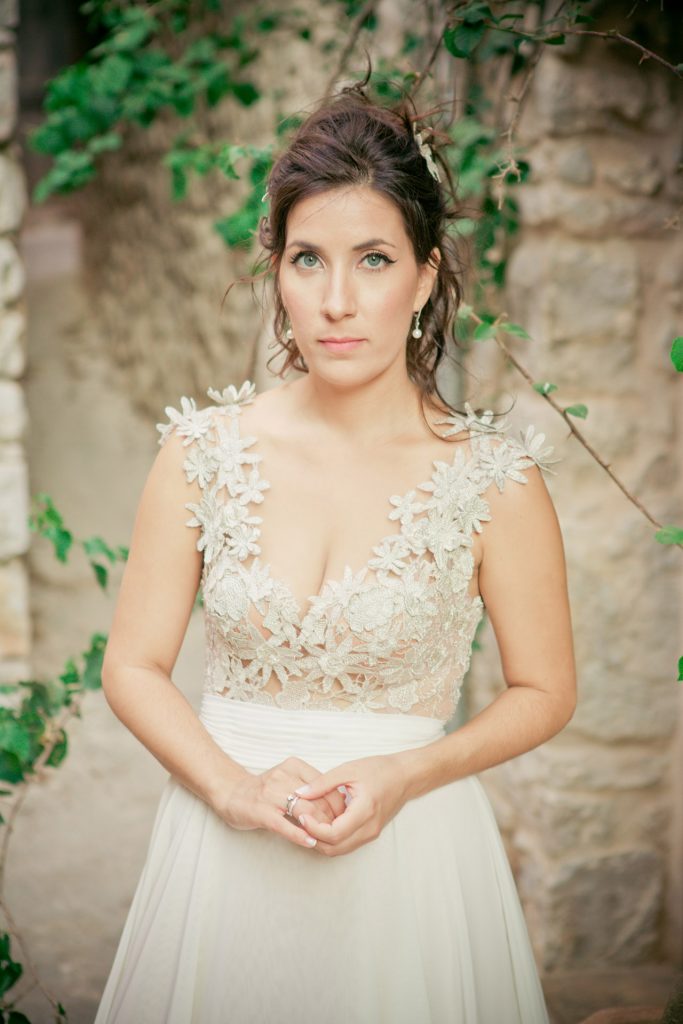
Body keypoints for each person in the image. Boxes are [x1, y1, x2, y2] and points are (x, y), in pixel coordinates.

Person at [94, 80, 576, 1024]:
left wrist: (407, 773)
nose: (338, 300)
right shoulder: (202, 452)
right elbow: (133, 664)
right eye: (308, 259)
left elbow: (546, 691)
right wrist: (230, 788)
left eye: (373, 259)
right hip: (221, 852)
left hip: (412, 859)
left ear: (427, 275)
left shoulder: (494, 480)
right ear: (275, 268)